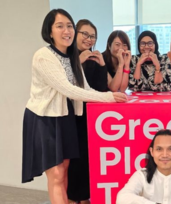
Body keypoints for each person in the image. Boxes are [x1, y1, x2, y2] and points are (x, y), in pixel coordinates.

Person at [21, 9, 127, 204]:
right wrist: (109, 98)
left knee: (63, 174)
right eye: (60, 26)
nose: (66, 30)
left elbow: (84, 87)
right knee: (56, 175)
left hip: (65, 117)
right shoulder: (44, 56)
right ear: (49, 31)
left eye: (69, 26)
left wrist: (109, 95)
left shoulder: (71, 57)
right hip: (45, 118)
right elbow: (69, 90)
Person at [67, 19, 107, 204]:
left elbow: (100, 90)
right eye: (85, 34)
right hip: (68, 117)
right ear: (75, 33)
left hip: (89, 118)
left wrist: (101, 66)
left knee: (86, 159)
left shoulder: (94, 57)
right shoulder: (66, 56)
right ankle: (72, 197)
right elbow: (65, 87)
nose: (89, 39)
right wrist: (76, 62)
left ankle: (85, 197)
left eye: (93, 36)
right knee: (72, 161)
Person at [116, 129, 171, 204]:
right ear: (152, 152)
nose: (165, 155)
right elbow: (122, 198)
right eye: (159, 149)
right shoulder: (141, 175)